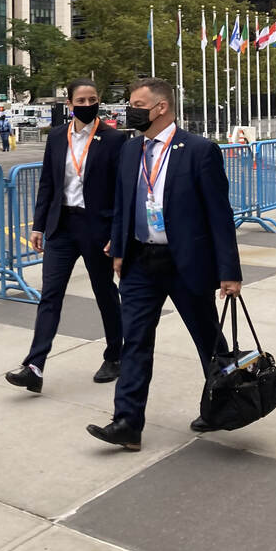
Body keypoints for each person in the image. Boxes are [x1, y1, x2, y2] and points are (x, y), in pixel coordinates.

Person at [87, 77, 242, 452]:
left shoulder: (200, 151)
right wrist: (120, 249)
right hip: (141, 261)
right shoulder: (130, 150)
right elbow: (124, 203)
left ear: (161, 108)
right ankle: (127, 422)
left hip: (186, 262)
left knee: (208, 339)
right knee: (135, 341)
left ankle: (222, 408)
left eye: (137, 103)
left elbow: (219, 215)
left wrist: (229, 273)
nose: (130, 109)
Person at [6, 78, 125, 393]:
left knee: (104, 292)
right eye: (81, 101)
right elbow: (48, 182)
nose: (87, 105)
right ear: (69, 104)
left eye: (92, 99)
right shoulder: (58, 137)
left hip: (97, 228)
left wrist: (117, 233)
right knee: (50, 294)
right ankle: (34, 365)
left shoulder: (113, 139)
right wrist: (38, 225)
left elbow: (123, 191)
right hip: (62, 226)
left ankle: (116, 354)